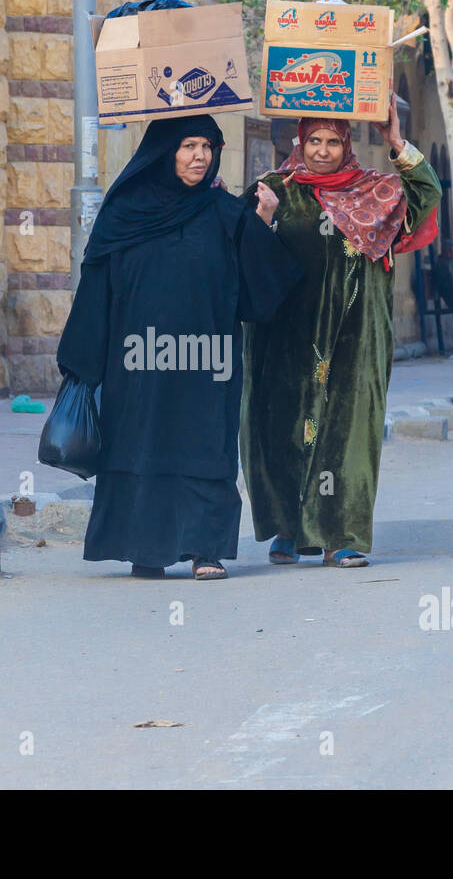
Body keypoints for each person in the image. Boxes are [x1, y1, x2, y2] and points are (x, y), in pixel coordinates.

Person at [56, 115, 302, 580]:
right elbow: (96, 286)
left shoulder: (224, 212)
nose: (199, 156)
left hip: (208, 361)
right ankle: (143, 547)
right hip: (138, 360)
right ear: (165, 151)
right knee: (139, 444)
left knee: (205, 446)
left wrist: (263, 219)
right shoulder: (124, 210)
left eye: (207, 146)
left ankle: (204, 549)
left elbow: (261, 287)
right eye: (188, 145)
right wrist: (83, 362)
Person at [239, 96, 442, 569]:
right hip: (285, 333)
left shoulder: (377, 191)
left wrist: (397, 144)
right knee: (284, 428)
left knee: (348, 432)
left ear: (346, 144)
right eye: (315, 140)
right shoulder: (274, 189)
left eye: (333, 141)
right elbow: (239, 252)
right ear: (300, 141)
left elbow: (426, 198)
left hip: (356, 334)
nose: (324, 150)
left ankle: (341, 535)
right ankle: (288, 531)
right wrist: (261, 219)